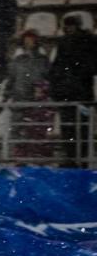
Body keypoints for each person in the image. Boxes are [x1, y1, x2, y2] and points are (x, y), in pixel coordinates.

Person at [49, 15, 97, 168]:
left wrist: (77, 74)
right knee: (69, 126)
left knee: (80, 126)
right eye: (67, 25)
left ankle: (80, 159)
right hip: (69, 92)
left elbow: (92, 66)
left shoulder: (89, 41)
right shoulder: (65, 42)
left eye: (71, 25)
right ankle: (72, 158)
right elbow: (57, 67)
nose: (69, 28)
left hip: (80, 92)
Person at [13, 80, 54, 162]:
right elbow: (26, 112)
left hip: (41, 126)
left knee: (41, 144)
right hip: (30, 126)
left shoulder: (47, 100)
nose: (38, 89)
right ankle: (22, 160)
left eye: (39, 87)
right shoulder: (31, 99)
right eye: (36, 87)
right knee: (25, 142)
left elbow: (49, 114)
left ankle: (41, 160)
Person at [5, 30, 49, 104]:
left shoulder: (43, 60)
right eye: (25, 40)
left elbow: (47, 78)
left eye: (30, 40)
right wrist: (5, 96)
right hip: (20, 100)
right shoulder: (18, 60)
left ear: (36, 42)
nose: (27, 42)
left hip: (37, 101)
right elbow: (11, 79)